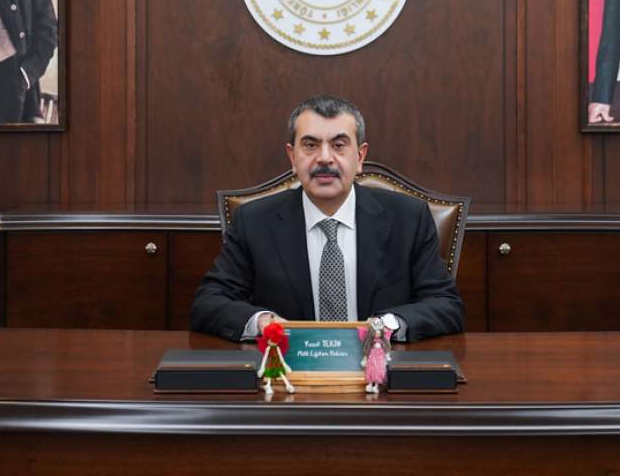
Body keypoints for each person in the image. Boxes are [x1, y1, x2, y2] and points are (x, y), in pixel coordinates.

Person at [190, 95, 465, 343]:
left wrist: (388, 326)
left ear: (360, 156)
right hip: (290, 370)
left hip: (380, 370)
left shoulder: (408, 218)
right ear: (292, 157)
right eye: (310, 145)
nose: (324, 158)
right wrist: (263, 322)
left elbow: (445, 304)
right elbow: (208, 303)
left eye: (338, 145)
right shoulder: (254, 222)